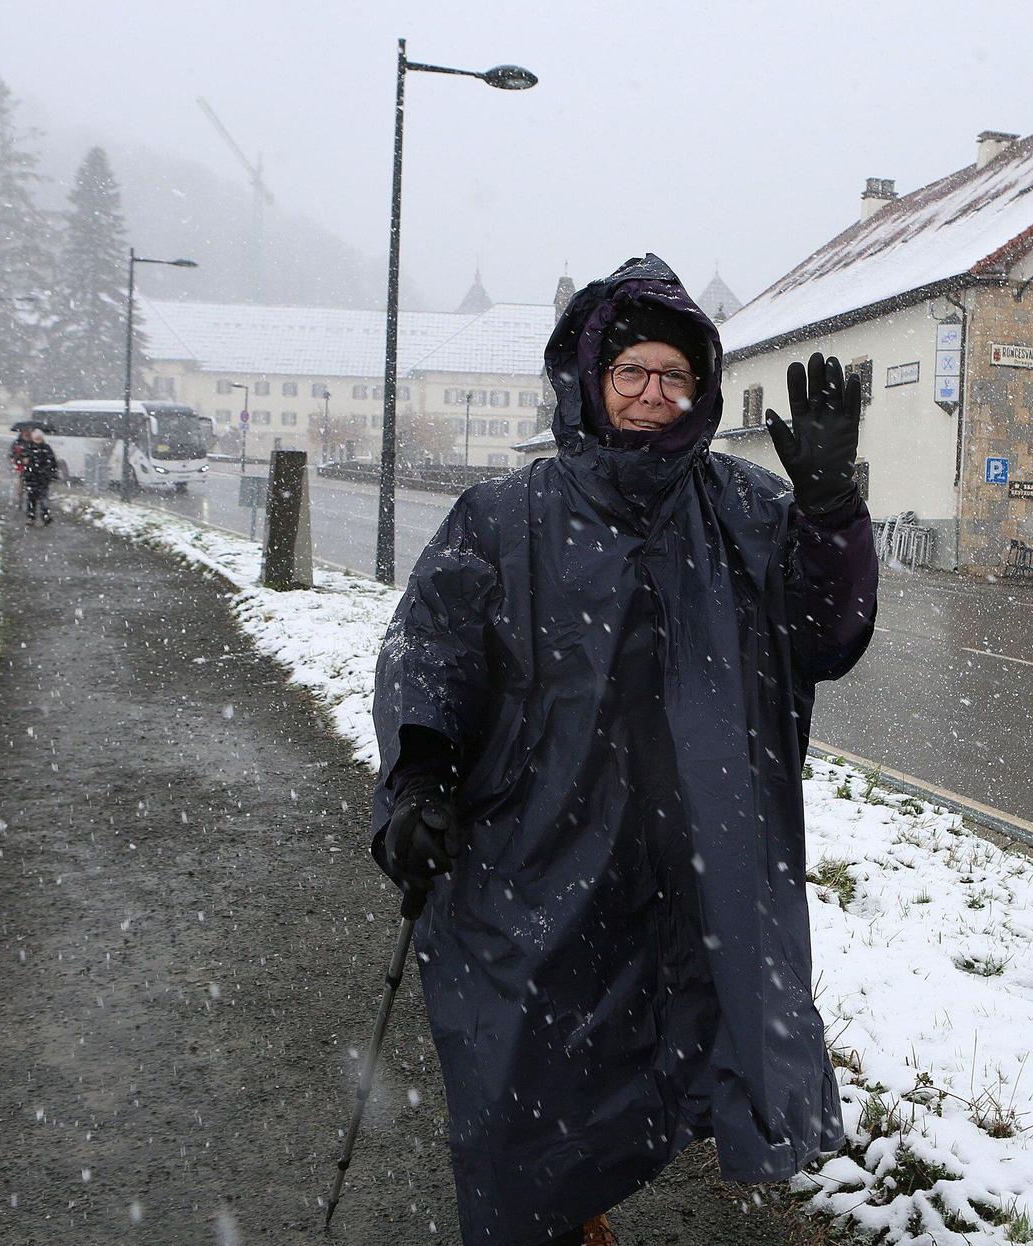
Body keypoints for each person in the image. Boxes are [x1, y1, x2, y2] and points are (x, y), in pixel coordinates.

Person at [371, 255, 877, 1245]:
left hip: (691, 859)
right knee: (527, 1068)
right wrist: (422, 770)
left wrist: (828, 513)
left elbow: (828, 634)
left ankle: (572, 1205)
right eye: (633, 371)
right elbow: (429, 648)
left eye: (673, 376)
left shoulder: (744, 512)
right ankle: (555, 1218)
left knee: (670, 1043)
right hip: (539, 848)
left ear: (699, 391)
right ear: (590, 381)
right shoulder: (504, 517)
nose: (653, 392)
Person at [20, 428, 56, 525]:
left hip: (40, 477)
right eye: (36, 438)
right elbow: (52, 462)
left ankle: (40, 515)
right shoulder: (31, 448)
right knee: (35, 497)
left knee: (40, 497)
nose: (38, 441)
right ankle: (35, 516)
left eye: (39, 438)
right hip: (33, 476)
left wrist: (50, 472)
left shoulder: (44, 448)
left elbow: (52, 462)